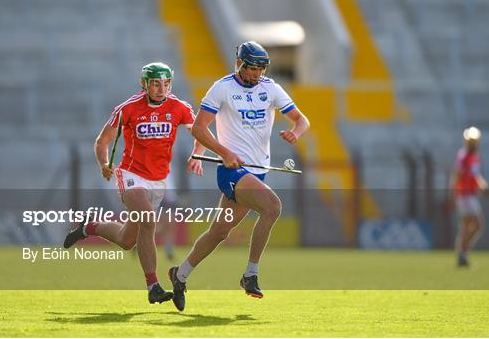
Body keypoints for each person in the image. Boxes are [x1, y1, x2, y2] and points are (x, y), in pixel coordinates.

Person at [168, 41, 310, 311]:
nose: (256, 74)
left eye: (260, 69)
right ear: (239, 64)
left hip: (257, 172)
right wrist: (224, 152)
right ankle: (250, 274)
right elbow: (199, 128)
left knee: (219, 232)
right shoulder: (222, 88)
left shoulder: (271, 89)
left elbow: (302, 120)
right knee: (272, 207)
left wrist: (296, 133)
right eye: (251, 68)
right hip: (231, 171)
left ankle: (180, 273)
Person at [63, 62, 204, 304]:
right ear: (145, 84)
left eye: (166, 83)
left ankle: (88, 227)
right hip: (131, 175)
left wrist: (196, 153)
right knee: (148, 220)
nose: (161, 89)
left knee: (127, 240)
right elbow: (102, 142)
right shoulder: (127, 109)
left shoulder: (179, 108)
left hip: (158, 180)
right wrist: (104, 165)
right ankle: (153, 286)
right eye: (156, 84)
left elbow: (199, 132)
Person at [450, 126, 489, 267]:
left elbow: (475, 176)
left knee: (468, 227)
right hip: (465, 196)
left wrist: (483, 186)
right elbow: (457, 177)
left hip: (470, 195)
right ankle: (462, 253)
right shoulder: (463, 156)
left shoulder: (474, 157)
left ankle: (462, 255)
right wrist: (454, 196)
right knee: (477, 225)